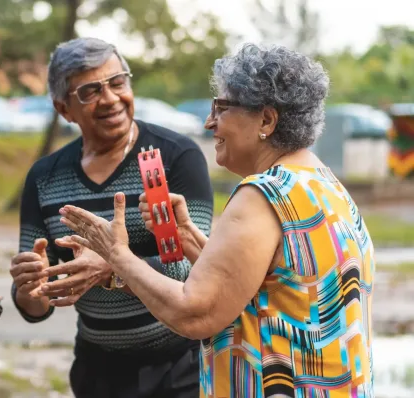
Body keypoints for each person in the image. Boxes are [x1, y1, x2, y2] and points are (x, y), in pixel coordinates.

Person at [58, 43, 374, 397]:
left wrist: (117, 255)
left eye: (220, 108)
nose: (210, 123)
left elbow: (196, 313)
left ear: (266, 120)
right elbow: (256, 286)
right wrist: (188, 236)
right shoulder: (323, 183)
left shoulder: (262, 195)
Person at [9, 37, 214, 397]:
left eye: (118, 82)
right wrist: (32, 286)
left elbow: (201, 272)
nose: (110, 98)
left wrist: (113, 268)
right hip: (97, 372)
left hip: (182, 368)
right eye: (90, 91)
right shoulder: (44, 178)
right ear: (63, 109)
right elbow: (36, 305)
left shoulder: (175, 156)